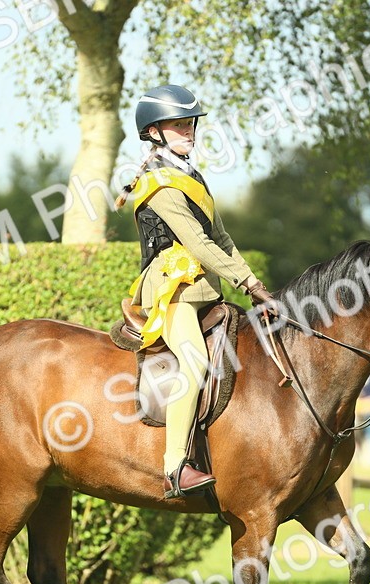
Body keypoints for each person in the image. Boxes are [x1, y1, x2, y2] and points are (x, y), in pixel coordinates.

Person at [118, 85, 275, 498]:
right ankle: (175, 467)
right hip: (173, 295)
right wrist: (251, 284)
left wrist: (248, 281)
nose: (189, 132)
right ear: (154, 132)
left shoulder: (191, 177)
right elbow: (199, 246)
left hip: (205, 292)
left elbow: (221, 238)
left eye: (190, 124)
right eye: (179, 125)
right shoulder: (161, 185)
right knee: (194, 361)